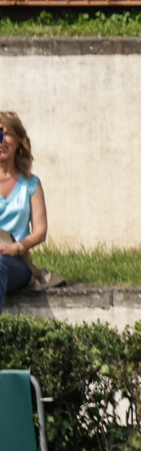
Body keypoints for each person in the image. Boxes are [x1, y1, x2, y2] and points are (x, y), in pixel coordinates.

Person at [0, 113, 46, 316]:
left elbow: (40, 231)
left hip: (16, 261)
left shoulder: (31, 184)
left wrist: (17, 247)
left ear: (19, 141)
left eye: (7, 133)